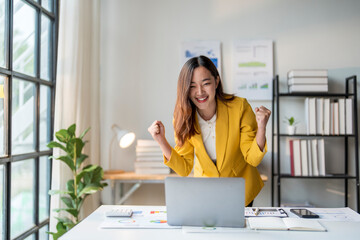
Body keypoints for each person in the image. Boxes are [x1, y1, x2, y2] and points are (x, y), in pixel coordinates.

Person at [148, 55, 271, 206]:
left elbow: (252, 158)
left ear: (216, 82)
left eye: (205, 83)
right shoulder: (183, 117)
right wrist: (161, 141)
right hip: (206, 191)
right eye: (192, 86)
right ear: (185, 88)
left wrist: (262, 127)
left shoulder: (239, 107)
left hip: (240, 190)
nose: (199, 92)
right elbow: (184, 169)